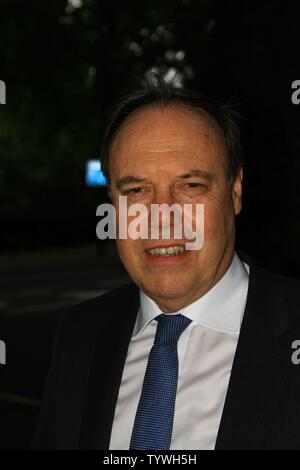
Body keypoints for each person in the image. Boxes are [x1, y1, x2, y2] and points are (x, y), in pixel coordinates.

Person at [32, 76, 300, 450]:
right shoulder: (81, 334)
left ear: (235, 190)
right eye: (136, 190)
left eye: (190, 186)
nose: (163, 217)